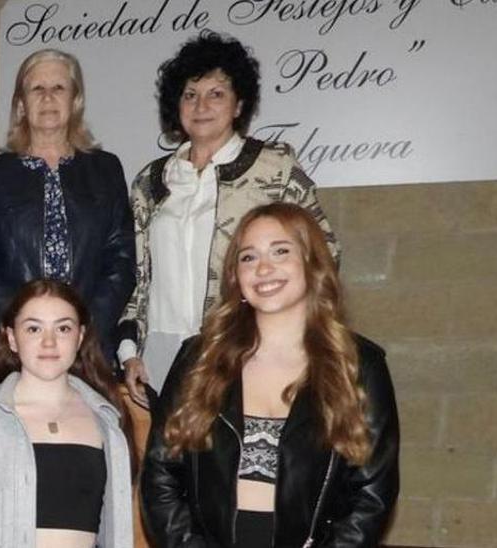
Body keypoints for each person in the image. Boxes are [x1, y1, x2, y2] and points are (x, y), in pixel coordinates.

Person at [142, 203, 399, 547]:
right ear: (236, 275)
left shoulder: (359, 365)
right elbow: (160, 476)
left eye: (280, 251)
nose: (264, 268)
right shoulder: (199, 358)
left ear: (313, 263)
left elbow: (372, 495)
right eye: (248, 257)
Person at [117, 32, 338, 405]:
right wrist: (129, 351)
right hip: (161, 353)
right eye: (190, 94)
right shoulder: (149, 181)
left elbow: (324, 252)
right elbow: (136, 278)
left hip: (247, 345)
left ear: (239, 105)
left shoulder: (275, 167)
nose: (201, 104)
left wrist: (283, 331)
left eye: (216, 93)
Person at [0, 48, 135, 362]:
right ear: (20, 103)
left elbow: (121, 260)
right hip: (15, 350)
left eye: (58, 88)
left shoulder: (106, 170)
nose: (47, 98)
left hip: (90, 347)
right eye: (36, 89)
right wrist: (24, 329)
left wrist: (81, 330)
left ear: (75, 100)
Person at [0, 280, 135, 548]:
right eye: (33, 328)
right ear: (11, 338)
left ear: (80, 337)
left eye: (63, 328)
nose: (49, 342)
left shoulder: (107, 422)